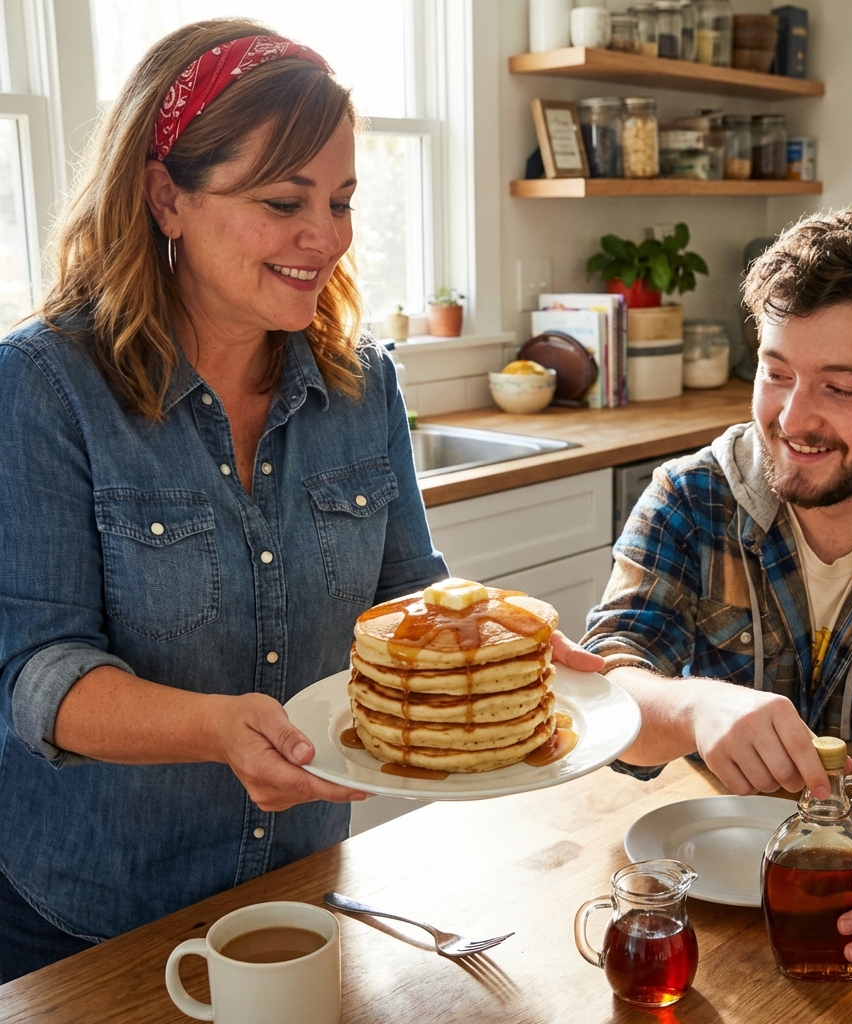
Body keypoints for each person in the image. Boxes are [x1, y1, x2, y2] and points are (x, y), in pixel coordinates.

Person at [0, 20, 599, 982]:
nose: (325, 236)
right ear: (166, 197)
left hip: (304, 891)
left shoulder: (363, 383)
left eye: (342, 200)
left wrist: (493, 641)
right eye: (284, 201)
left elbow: (407, 591)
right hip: (89, 921)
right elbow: (37, 675)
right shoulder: (44, 386)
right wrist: (214, 729)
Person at [583, 204, 852, 978]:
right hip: (706, 914)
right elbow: (603, 688)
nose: (792, 418)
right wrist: (696, 706)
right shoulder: (689, 499)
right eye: (777, 372)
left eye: (840, 388)